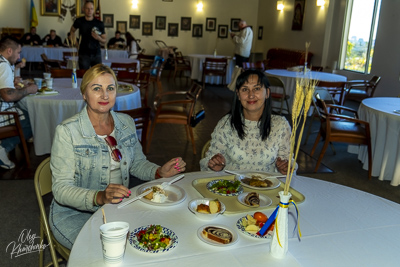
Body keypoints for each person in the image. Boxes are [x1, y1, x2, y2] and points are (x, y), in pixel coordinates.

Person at [49, 64, 186, 249]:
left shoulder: (126, 123)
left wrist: (159, 172)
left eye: (110, 88)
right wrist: (100, 196)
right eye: (96, 88)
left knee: (152, 241)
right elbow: (61, 189)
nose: (105, 95)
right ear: (84, 94)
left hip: (119, 206)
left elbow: (137, 163)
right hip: (74, 213)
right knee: (108, 251)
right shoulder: (67, 131)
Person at [200, 69, 291, 174]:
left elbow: (287, 162)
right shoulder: (226, 123)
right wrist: (214, 165)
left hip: (267, 187)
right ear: (238, 95)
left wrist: (284, 169)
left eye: (257, 88)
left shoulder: (280, 125)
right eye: (245, 89)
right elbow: (209, 160)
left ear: (267, 93)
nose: (251, 95)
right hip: (232, 187)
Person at [0, 36, 38, 169]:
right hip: (2, 112)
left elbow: (4, 90)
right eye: (18, 52)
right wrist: (28, 89)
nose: (19, 56)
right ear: (9, 51)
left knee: (26, 112)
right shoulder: (3, 65)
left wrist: (12, 84)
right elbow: (7, 97)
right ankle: (3, 149)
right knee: (34, 119)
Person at [69, 0, 106, 70]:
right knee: (84, 76)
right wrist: (76, 44)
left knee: (97, 75)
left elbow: (104, 40)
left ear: (94, 10)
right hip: (83, 54)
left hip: (96, 54)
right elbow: (71, 32)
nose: (89, 10)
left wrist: (98, 38)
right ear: (83, 9)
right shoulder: (79, 21)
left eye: (91, 9)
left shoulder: (99, 23)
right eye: (87, 8)